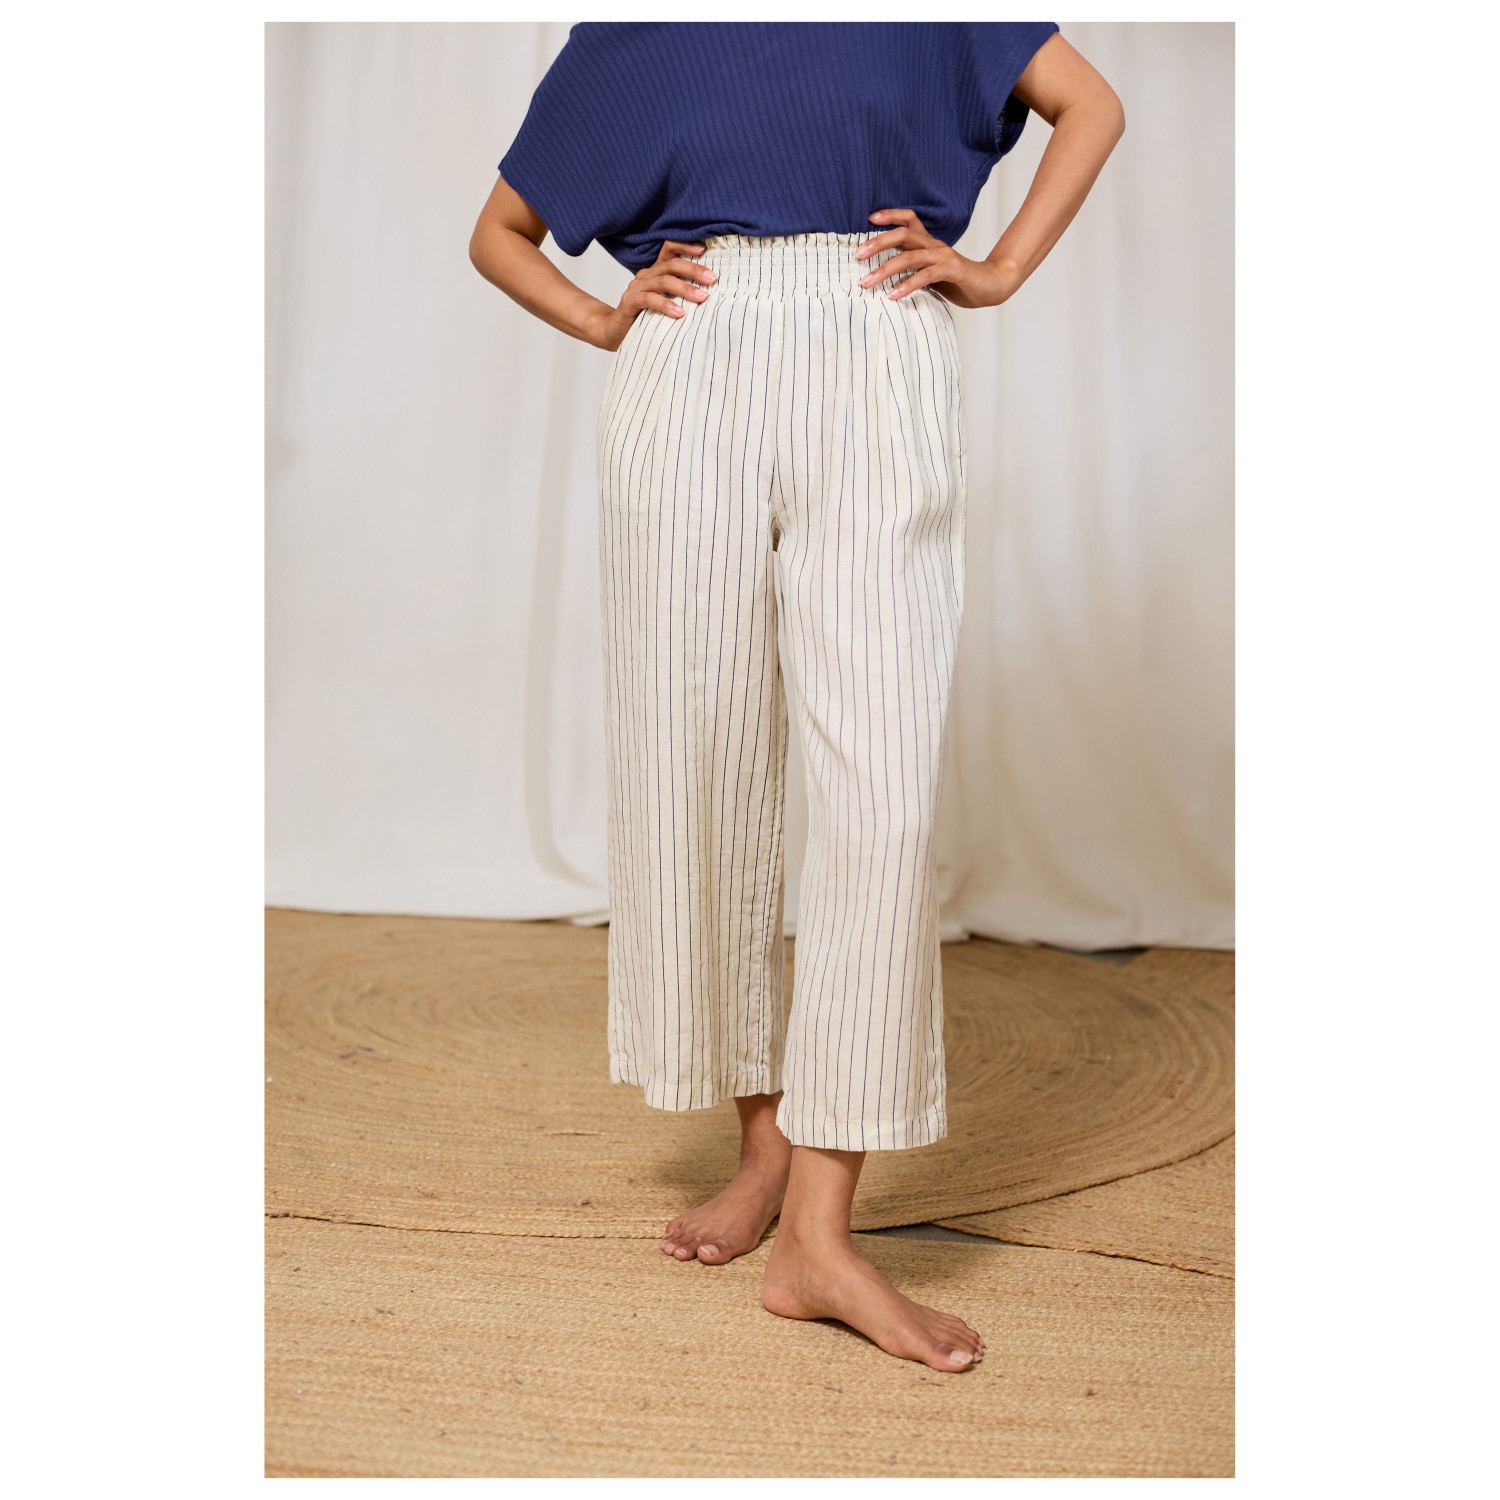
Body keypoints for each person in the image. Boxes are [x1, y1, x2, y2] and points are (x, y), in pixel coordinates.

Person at [470, 21, 1124, 1374]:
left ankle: (821, 1233)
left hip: (878, 339)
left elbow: (1092, 106)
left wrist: (998, 269)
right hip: (689, 362)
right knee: (698, 765)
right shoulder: (632, 32)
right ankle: (765, 1147)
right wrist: (602, 316)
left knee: (880, 793)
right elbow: (500, 232)